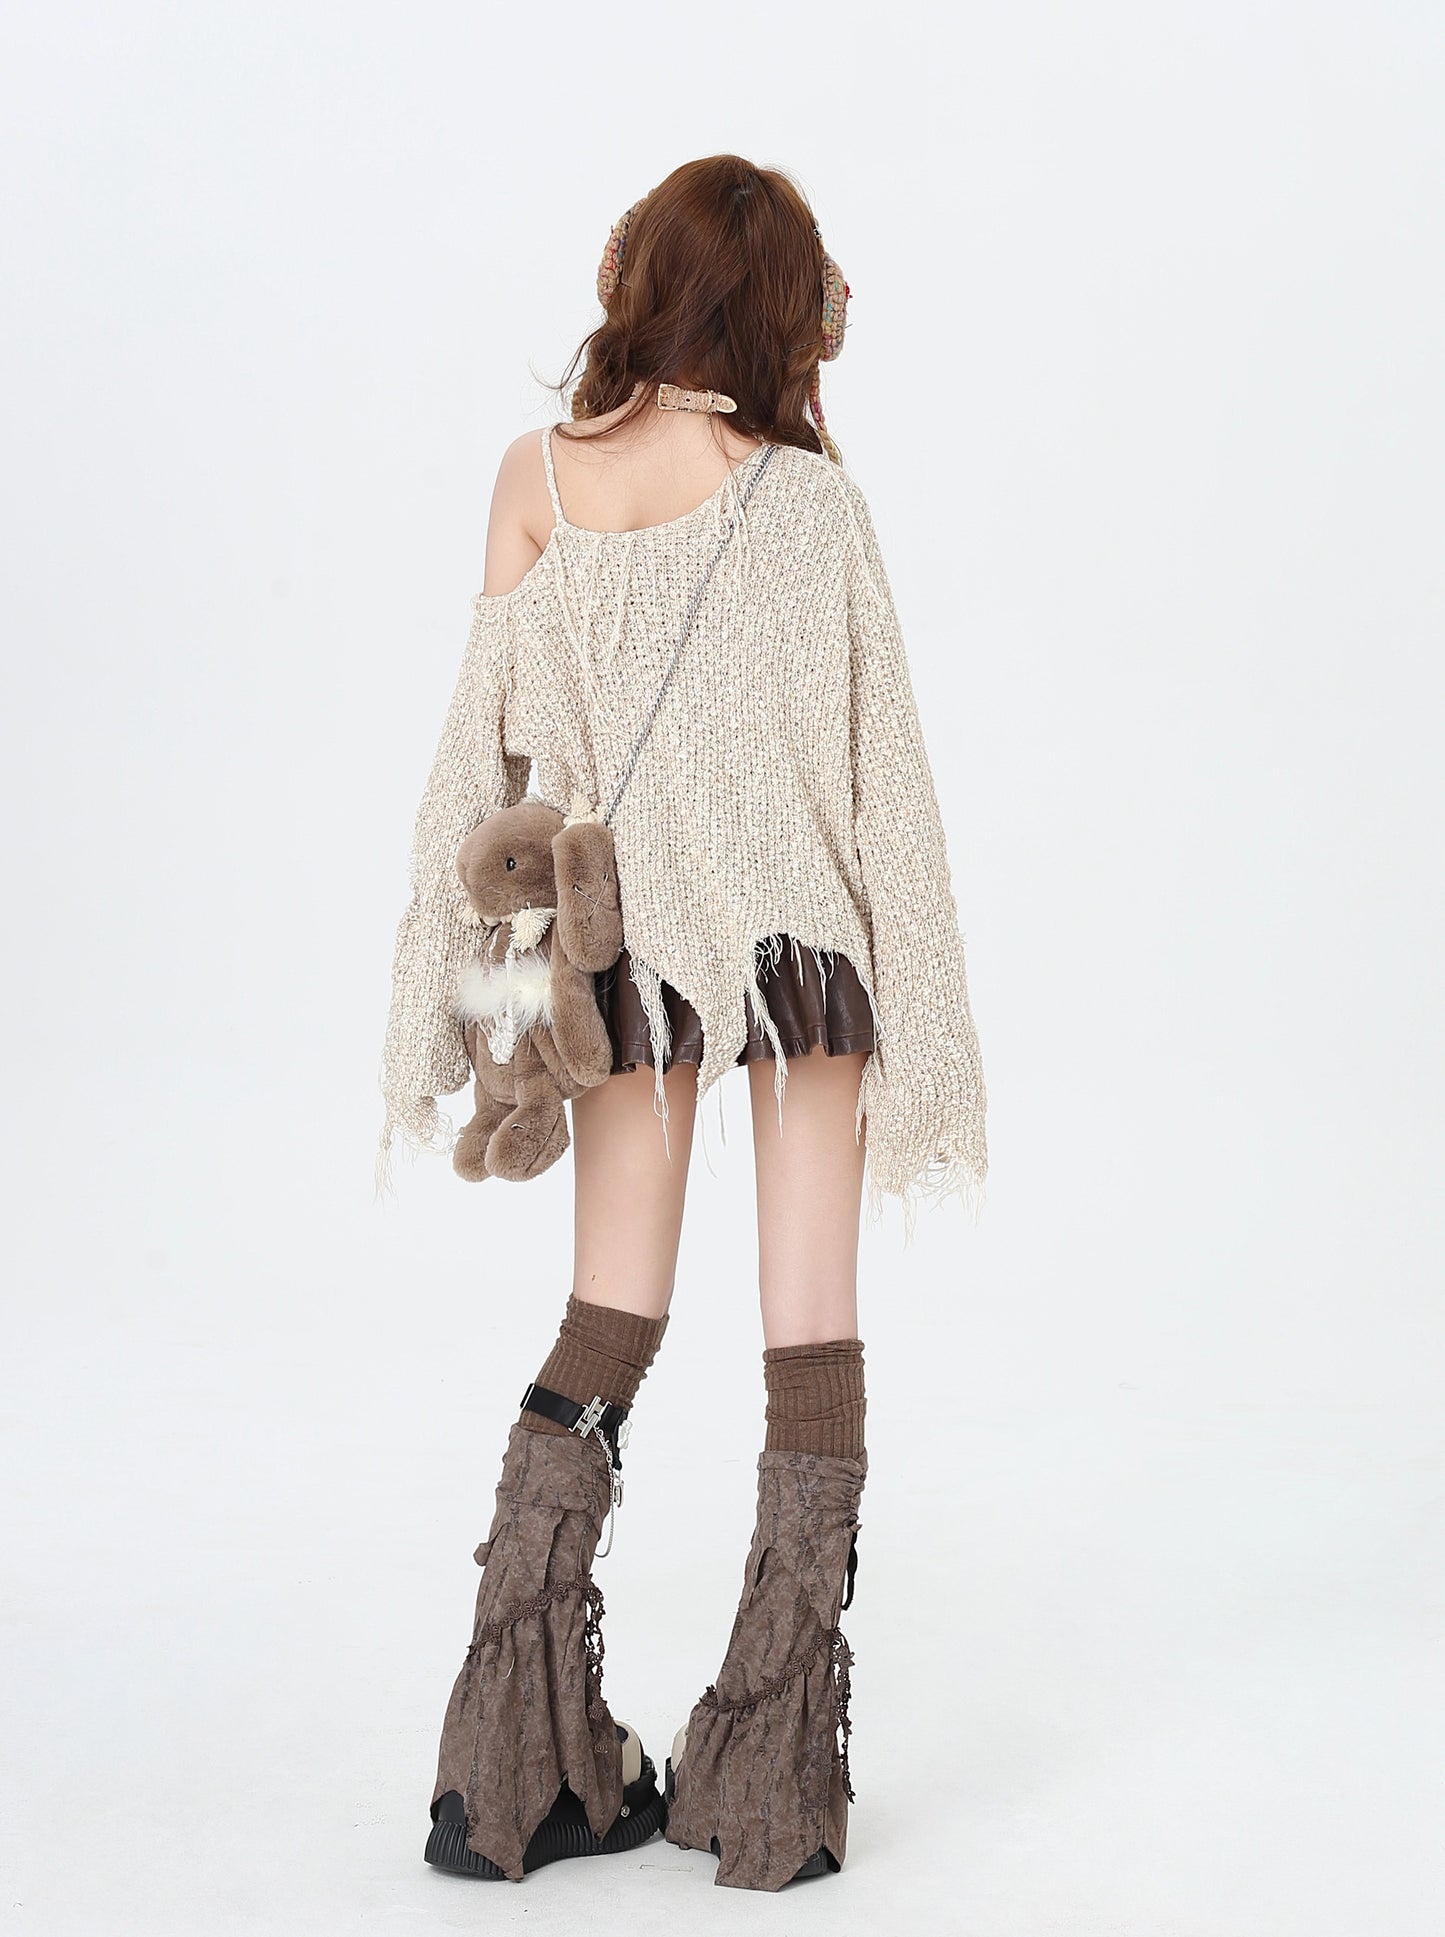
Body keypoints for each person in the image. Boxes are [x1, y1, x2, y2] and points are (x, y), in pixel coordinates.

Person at [375, 154, 988, 1892]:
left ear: (633, 279)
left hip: (621, 967)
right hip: (803, 969)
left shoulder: (536, 479)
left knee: (608, 1314)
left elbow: (472, 773)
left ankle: (507, 1774)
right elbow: (889, 794)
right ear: (788, 315)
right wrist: (936, 1026)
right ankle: (771, 1779)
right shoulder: (811, 503)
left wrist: (449, 1002)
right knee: (810, 1332)